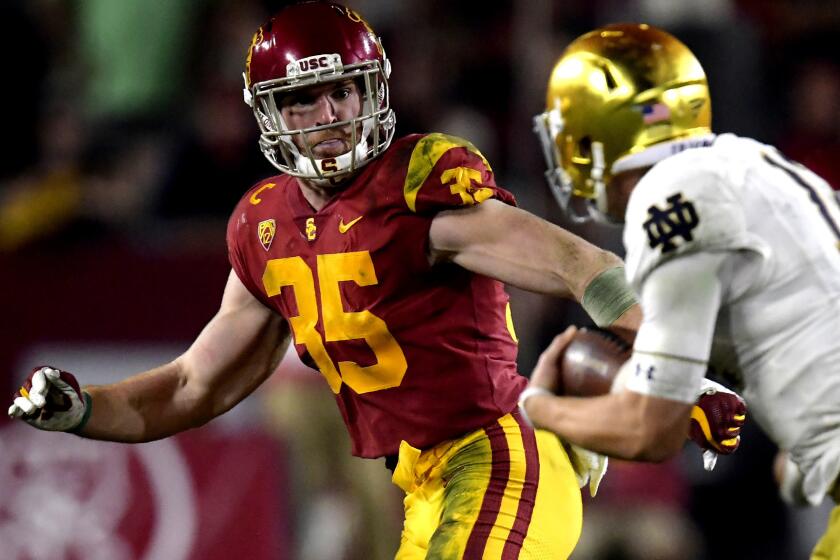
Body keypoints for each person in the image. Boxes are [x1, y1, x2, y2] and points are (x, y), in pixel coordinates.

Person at [7, 3, 644, 559]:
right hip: (424, 486)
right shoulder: (264, 225)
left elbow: (580, 266)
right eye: (304, 98)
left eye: (343, 91)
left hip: (498, 459)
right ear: (270, 112)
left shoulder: (417, 188)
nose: (331, 112)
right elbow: (192, 384)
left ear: (372, 92)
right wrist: (85, 409)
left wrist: (674, 361)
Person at [525, 23, 840, 559]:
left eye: (574, 137)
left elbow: (652, 432)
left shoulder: (669, 206)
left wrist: (541, 407)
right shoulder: (752, 162)